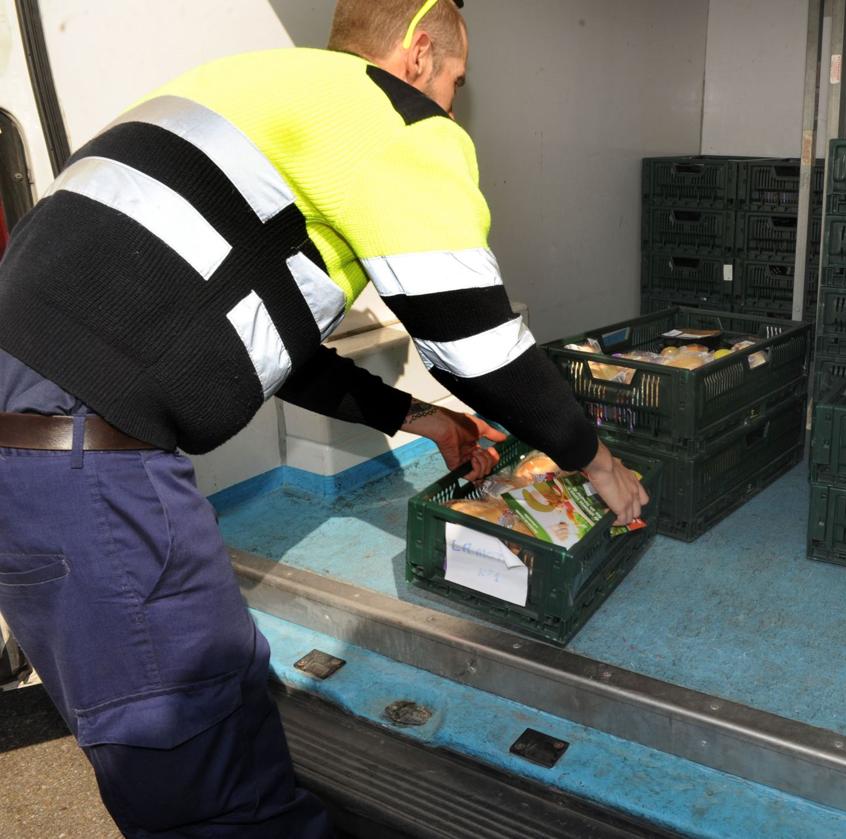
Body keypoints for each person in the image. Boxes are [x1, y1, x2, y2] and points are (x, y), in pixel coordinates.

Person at [0, 0, 648, 835]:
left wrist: (418, 415)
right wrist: (597, 460)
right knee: (201, 776)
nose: (451, 103)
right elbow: (479, 343)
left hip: (37, 453)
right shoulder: (391, 113)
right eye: (454, 80)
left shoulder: (246, 90)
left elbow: (268, 339)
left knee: (223, 687)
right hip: (89, 467)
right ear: (417, 54)